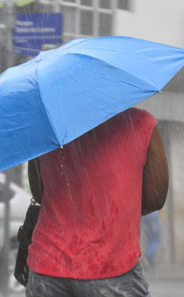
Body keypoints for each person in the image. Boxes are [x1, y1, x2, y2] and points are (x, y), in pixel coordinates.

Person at [26, 107, 167, 297]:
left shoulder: (50, 127)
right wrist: (117, 207)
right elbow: (155, 197)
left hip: (48, 266)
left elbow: (39, 191)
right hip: (113, 267)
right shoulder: (141, 123)